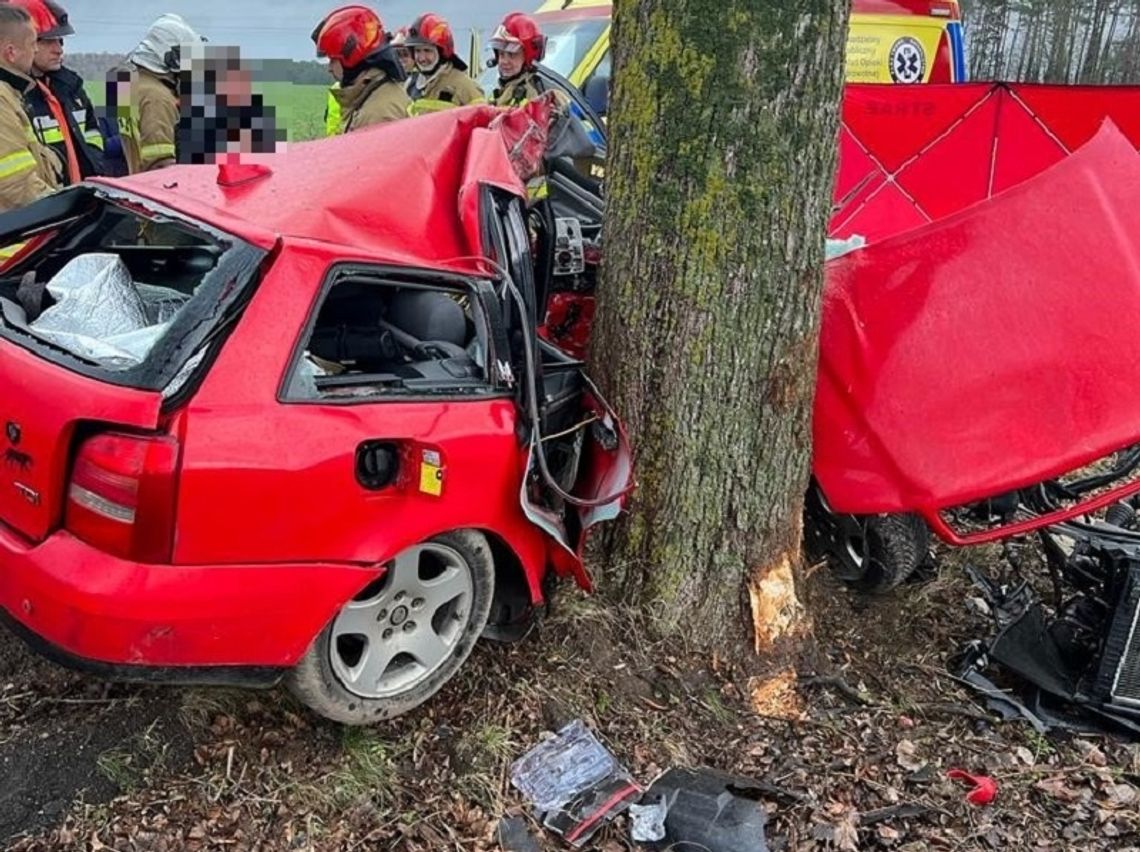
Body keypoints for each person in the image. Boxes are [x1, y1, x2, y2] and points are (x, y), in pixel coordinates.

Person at [10, 0, 103, 184]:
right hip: (44, 205)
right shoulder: (12, 96)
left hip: (82, 196)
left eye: (60, 40)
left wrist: (95, 162)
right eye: (48, 41)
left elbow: (93, 132)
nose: (59, 49)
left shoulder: (71, 87)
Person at [112, 13, 206, 174]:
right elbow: (161, 166)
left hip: (135, 182)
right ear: (165, 56)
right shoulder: (157, 98)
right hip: (154, 190)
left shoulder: (129, 86)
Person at [0, 4, 60, 212]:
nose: (35, 49)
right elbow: (16, 183)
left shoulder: (12, 92)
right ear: (11, 52)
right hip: (16, 233)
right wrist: (60, 211)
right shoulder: (1, 99)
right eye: (36, 42)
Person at [311, 5, 408, 133]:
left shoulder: (377, 114)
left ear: (352, 56)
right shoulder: (372, 93)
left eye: (333, 60)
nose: (329, 68)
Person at [405, 13, 484, 116]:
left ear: (442, 52)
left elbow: (482, 119)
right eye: (418, 51)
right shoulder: (410, 85)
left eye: (427, 51)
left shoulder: (463, 86)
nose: (422, 58)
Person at [489, 12, 550, 107]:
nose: (504, 61)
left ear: (527, 57)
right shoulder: (504, 89)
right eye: (501, 54)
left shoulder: (530, 96)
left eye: (512, 54)